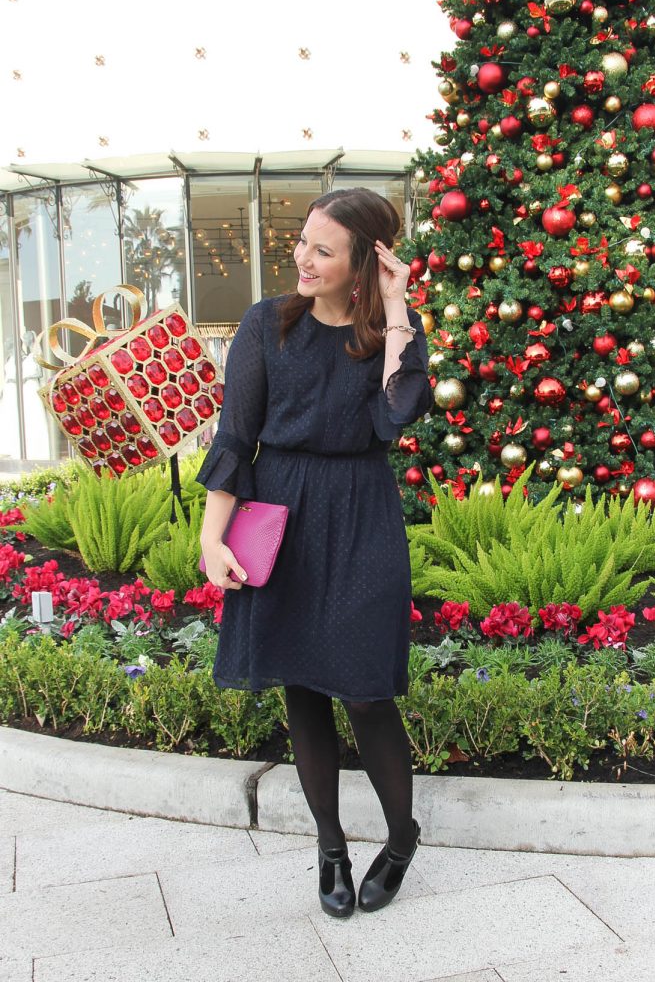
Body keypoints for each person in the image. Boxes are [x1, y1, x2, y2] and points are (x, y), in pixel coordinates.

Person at [197, 187, 433, 918]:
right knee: (301, 684)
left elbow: (397, 414)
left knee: (365, 690)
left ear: (363, 261)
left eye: (323, 249)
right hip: (280, 510)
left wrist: (396, 309)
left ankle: (399, 841)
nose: (302, 257)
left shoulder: (391, 330)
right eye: (303, 241)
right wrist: (212, 537)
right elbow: (236, 436)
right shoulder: (267, 323)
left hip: (360, 512)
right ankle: (329, 846)